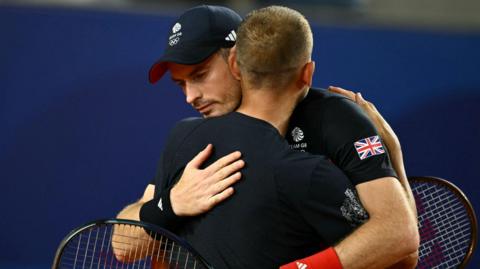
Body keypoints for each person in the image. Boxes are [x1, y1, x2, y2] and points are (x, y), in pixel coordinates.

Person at [116, 4, 419, 269]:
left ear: (236, 60)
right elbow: (125, 246)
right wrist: (170, 204)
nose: (191, 97)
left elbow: (400, 247)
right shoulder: (190, 137)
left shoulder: (337, 120)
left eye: (200, 75)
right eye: (180, 84)